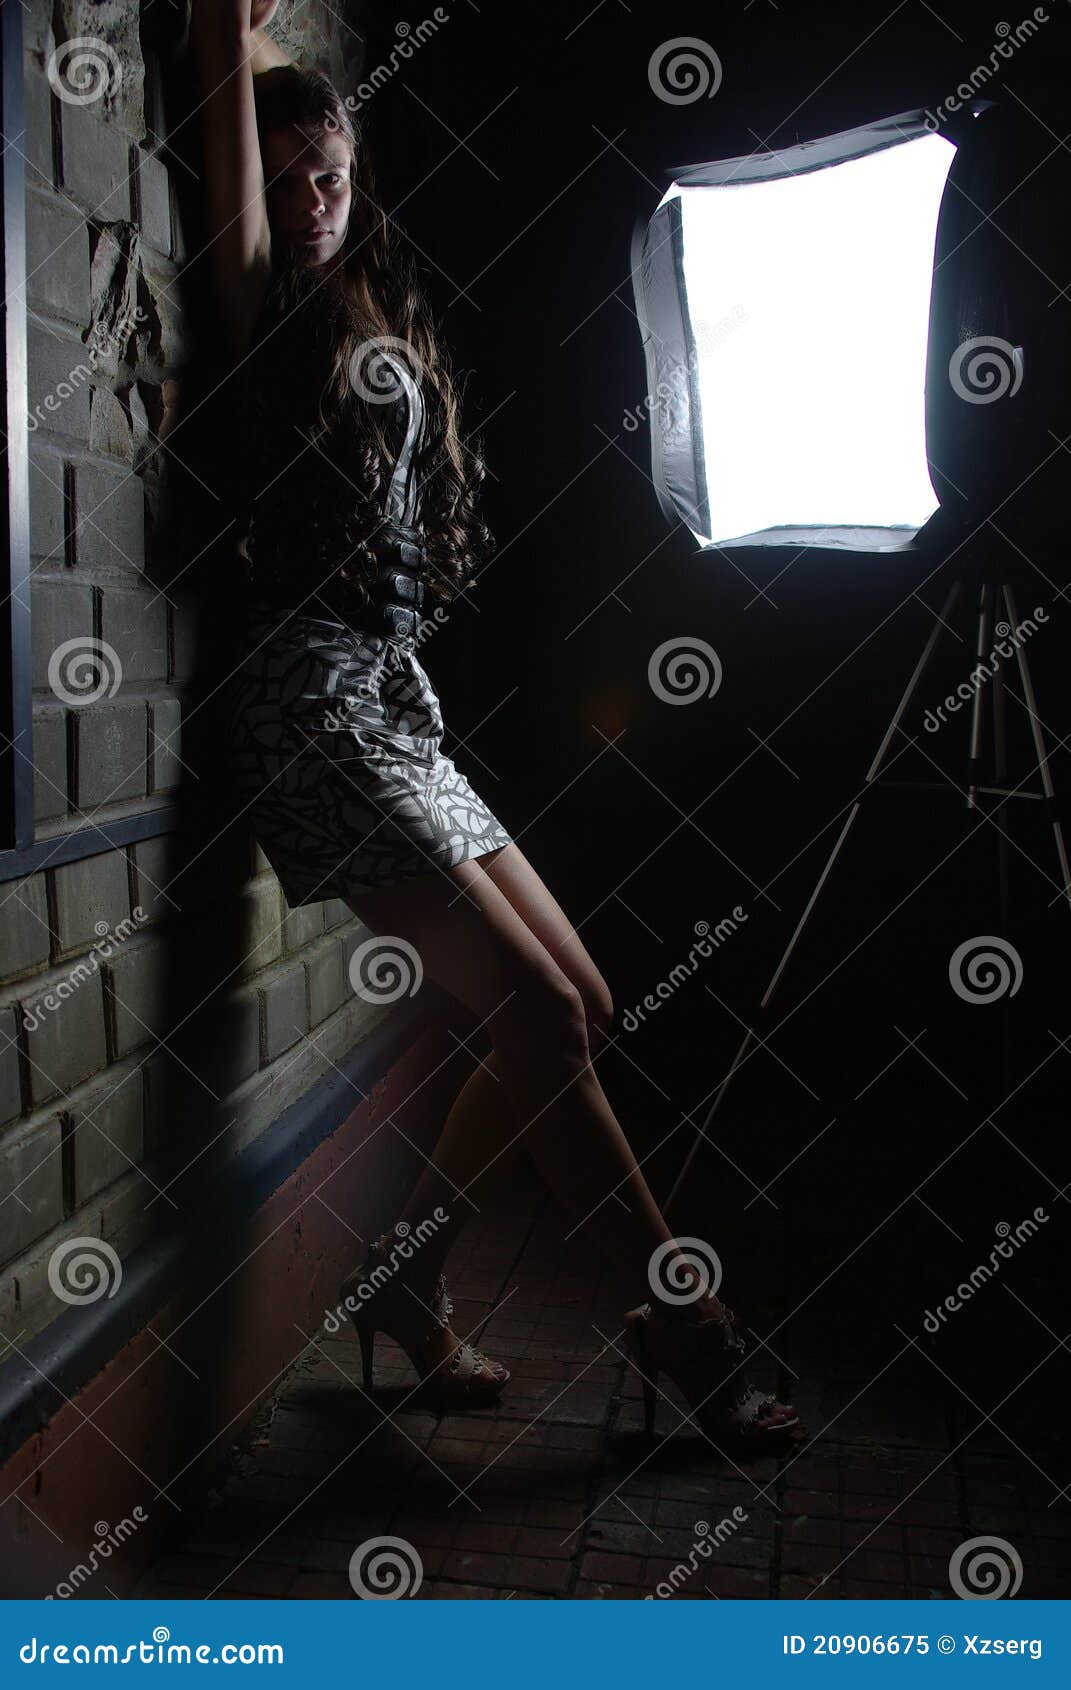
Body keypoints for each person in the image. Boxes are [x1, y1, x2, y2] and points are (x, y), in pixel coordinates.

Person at [189, 0, 799, 1453]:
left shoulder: (369, 304)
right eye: (287, 179)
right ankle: (687, 1333)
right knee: (529, 1010)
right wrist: (243, 41)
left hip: (392, 700)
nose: (313, 199)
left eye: (331, 173)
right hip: (307, 702)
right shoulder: (263, 292)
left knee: (571, 1001)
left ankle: (407, 1292)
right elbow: (228, 92)